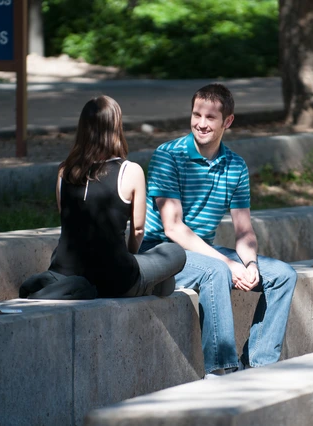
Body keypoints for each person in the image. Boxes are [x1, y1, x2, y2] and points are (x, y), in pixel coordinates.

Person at [140, 84, 297, 378]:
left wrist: (249, 263)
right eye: (196, 114)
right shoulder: (168, 156)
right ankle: (222, 370)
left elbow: (244, 230)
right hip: (159, 252)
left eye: (210, 117)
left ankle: (258, 366)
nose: (201, 123)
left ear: (228, 121)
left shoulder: (235, 165)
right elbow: (173, 227)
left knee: (283, 275)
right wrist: (227, 263)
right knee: (217, 271)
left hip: (199, 252)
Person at [20, 95, 186, 300]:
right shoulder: (130, 171)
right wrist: (130, 257)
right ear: (116, 127)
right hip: (115, 278)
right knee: (174, 252)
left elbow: (69, 223)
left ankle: (153, 285)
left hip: (66, 271)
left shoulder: (64, 172)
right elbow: (138, 230)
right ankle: (154, 286)